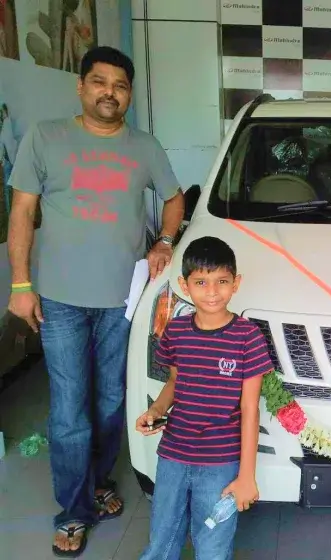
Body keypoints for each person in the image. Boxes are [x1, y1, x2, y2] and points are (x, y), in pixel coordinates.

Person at [6, 46, 185, 557]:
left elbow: (174, 199)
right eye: (100, 82)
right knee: (68, 409)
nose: (111, 92)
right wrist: (20, 284)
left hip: (121, 300)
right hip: (60, 299)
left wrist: (165, 241)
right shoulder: (47, 137)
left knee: (109, 401)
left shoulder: (144, 146)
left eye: (121, 85)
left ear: (129, 93)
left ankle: (99, 482)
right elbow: (21, 211)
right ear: (81, 87)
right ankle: (73, 511)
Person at [136, 236, 273, 560]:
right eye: (201, 282)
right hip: (173, 453)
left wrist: (246, 476)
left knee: (212, 545)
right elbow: (173, 380)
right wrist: (155, 409)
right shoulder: (177, 331)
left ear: (235, 283)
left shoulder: (247, 337)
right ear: (185, 284)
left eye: (221, 281)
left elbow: (250, 409)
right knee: (161, 538)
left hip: (220, 461)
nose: (212, 292)